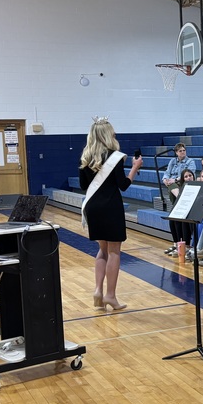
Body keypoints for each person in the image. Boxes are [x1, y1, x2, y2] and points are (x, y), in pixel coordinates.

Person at [79, 118, 143, 311]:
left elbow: (83, 186)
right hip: (110, 206)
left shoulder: (86, 156)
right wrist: (135, 167)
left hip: (92, 207)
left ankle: (98, 291)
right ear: (108, 135)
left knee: (102, 250)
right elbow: (123, 185)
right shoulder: (114, 156)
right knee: (114, 251)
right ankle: (111, 296)